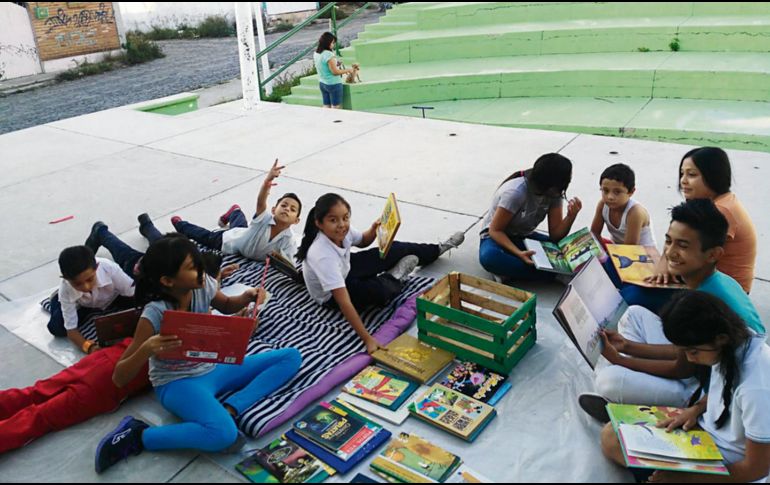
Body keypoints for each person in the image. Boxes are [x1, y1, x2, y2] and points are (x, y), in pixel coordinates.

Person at [94, 234, 302, 473]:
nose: (202, 270)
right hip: (177, 383)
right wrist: (147, 349)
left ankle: (231, 407)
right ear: (168, 281)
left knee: (290, 357)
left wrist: (246, 299)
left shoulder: (203, 286)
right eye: (193, 267)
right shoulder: (155, 314)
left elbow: (226, 304)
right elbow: (119, 377)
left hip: (213, 366)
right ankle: (140, 435)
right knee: (223, 435)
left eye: (198, 262)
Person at [581, 199, 763, 417]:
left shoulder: (708, 302)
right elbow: (683, 350)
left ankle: (681, 402)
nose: (670, 252)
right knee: (634, 314)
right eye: (669, 241)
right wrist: (627, 347)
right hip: (700, 360)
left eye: (683, 246)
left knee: (608, 381)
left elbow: (681, 368)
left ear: (713, 254)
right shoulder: (712, 280)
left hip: (709, 390)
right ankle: (634, 388)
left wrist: (621, 360)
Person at [599, 291, 770, 483]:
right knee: (612, 436)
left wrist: (687, 477)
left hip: (730, 465)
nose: (689, 359)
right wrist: (696, 409)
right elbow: (724, 392)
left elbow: (757, 469)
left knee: (616, 440)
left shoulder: (757, 387)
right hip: (707, 438)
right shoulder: (732, 345)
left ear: (720, 339)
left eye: (693, 352)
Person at [296, 193, 464, 354]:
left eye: (345, 217)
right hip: (331, 297)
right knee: (378, 291)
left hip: (346, 267)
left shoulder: (342, 231)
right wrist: (368, 339)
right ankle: (396, 276)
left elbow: (363, 241)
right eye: (333, 220)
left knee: (396, 248)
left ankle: (437, 249)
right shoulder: (322, 255)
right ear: (319, 223)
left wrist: (375, 229)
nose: (341, 224)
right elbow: (344, 302)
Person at [622, 147, 757, 312]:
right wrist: (663, 266)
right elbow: (676, 244)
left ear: (713, 176)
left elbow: (682, 251)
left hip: (717, 294)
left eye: (692, 175)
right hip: (699, 275)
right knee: (630, 285)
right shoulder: (713, 203)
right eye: (682, 174)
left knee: (632, 297)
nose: (683, 181)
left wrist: (664, 268)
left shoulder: (720, 211)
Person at [145, 160, 301, 263]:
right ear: (274, 209)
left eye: (292, 209)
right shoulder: (265, 218)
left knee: (241, 227)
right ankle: (182, 225)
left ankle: (235, 211)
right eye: (284, 205)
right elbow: (261, 202)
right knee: (205, 236)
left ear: (296, 220)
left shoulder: (289, 240)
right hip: (231, 241)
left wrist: (278, 258)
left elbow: (288, 263)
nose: (287, 209)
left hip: (244, 234)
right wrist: (267, 181)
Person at [478, 153, 582, 282]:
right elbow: (495, 231)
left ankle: (511, 270)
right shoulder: (515, 193)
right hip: (496, 238)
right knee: (490, 258)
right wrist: (518, 253)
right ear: (550, 184)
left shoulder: (554, 194)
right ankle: (553, 274)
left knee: (565, 247)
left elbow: (555, 235)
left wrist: (571, 216)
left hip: (523, 236)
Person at [47, 245, 136, 354]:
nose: (86, 287)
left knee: (137, 306)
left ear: (97, 267)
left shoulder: (109, 268)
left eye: (90, 279)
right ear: (66, 279)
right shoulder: (66, 289)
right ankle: (56, 300)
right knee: (56, 327)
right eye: (77, 284)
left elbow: (133, 295)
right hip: (84, 305)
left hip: (113, 297)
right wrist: (90, 347)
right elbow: (71, 330)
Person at [590, 163, 655, 246]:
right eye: (605, 191)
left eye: (617, 192)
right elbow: (594, 234)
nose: (610, 197)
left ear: (631, 192)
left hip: (641, 254)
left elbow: (629, 249)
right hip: (618, 248)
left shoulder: (635, 212)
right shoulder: (603, 205)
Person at [313, 32, 357, 109]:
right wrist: (348, 70)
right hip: (333, 84)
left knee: (326, 106)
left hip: (322, 83)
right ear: (328, 43)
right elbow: (335, 72)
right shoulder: (329, 54)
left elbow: (323, 65)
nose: (333, 45)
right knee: (335, 107)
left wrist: (335, 63)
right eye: (332, 43)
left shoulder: (316, 53)